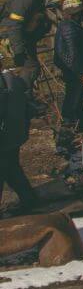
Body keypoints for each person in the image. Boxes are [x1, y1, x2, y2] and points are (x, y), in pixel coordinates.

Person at [3, 0, 65, 75]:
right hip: (11, 36)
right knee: (31, 69)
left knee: (32, 70)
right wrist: (19, 53)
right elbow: (14, 25)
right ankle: (20, 90)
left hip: (25, 35)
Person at [51, 0, 83, 152]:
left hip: (71, 70)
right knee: (72, 100)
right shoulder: (70, 28)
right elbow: (72, 55)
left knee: (77, 99)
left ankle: (81, 127)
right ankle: (65, 138)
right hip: (74, 72)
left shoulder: (68, 25)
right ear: (79, 11)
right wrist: (82, 73)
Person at [0, 59, 38, 214]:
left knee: (6, 170)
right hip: (15, 135)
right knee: (11, 169)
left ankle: (29, 199)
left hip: (4, 137)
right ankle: (29, 199)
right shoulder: (13, 81)